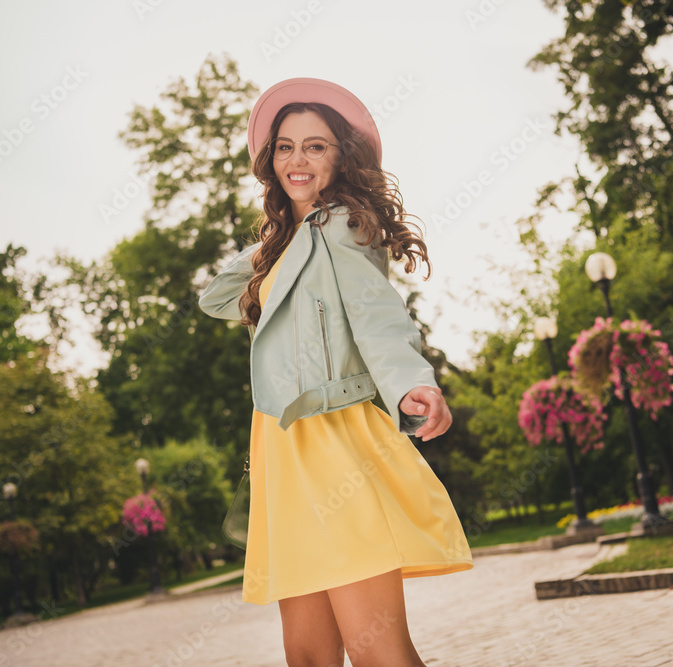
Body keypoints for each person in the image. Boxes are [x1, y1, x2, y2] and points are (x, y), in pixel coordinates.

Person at [198, 77, 473, 667]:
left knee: (376, 651)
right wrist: (280, 234)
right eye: (284, 147)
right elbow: (215, 297)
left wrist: (412, 383)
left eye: (316, 146)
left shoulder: (344, 225)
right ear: (268, 160)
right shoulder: (290, 242)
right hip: (280, 451)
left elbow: (379, 318)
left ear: (341, 156)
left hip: (333, 443)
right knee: (309, 656)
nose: (297, 159)